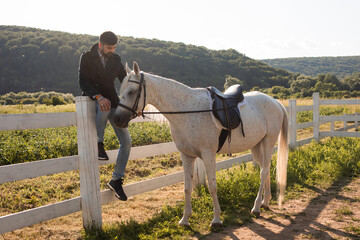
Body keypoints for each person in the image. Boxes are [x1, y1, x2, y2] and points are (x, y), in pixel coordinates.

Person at [78, 31, 131, 201]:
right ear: (100, 45)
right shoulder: (86, 57)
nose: (112, 51)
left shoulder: (116, 59)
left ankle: (116, 179)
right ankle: (98, 143)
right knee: (105, 105)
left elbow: (125, 80)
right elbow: (83, 81)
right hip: (93, 99)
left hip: (113, 102)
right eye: (109, 48)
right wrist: (99, 97)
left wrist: (132, 104)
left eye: (115, 48)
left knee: (127, 142)